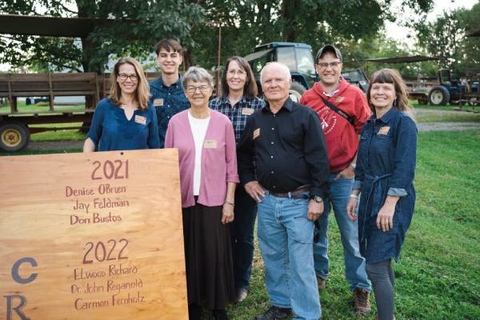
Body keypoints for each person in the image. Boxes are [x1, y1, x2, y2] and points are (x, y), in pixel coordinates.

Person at [238, 62, 329, 320]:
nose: (273, 85)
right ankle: (281, 305)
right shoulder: (255, 119)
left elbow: (319, 160)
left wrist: (318, 197)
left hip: (299, 201)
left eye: (278, 80)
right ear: (262, 86)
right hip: (267, 201)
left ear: (289, 84)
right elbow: (243, 154)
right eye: (268, 81)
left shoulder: (305, 116)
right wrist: (248, 181)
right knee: (274, 258)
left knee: (301, 263)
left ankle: (307, 314)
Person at [300, 44, 372, 314]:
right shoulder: (308, 97)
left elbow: (368, 132)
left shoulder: (354, 95)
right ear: (317, 68)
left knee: (351, 235)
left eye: (334, 63)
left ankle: (360, 286)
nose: (328, 68)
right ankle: (319, 275)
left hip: (344, 176)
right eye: (323, 64)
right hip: (316, 178)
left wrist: (354, 165)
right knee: (316, 230)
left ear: (341, 66)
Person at [165, 66, 238, 320]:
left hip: (215, 200)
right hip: (184, 200)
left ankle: (218, 306)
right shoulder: (175, 123)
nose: (197, 91)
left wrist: (229, 202)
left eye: (202, 86)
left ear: (212, 90)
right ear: (185, 92)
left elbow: (232, 167)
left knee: (214, 253)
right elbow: (167, 165)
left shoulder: (223, 122)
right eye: (192, 87)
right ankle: (192, 304)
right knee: (188, 253)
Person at [347, 68, 417, 320]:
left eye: (387, 87)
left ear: (396, 93)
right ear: (369, 92)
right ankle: (387, 315)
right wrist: (355, 195)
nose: (380, 91)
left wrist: (389, 205)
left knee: (375, 266)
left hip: (393, 200)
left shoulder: (403, 123)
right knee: (380, 260)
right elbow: (363, 164)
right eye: (376, 87)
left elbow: (405, 167)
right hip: (370, 197)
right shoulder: (369, 124)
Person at [209, 56, 265, 303]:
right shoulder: (212, 105)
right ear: (225, 76)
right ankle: (221, 278)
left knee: (242, 233)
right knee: (219, 232)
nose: (235, 76)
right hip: (215, 179)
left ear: (247, 76)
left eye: (240, 72)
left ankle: (240, 281)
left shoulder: (258, 105)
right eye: (231, 71)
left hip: (246, 178)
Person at [83, 57, 160, 152]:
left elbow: (154, 145)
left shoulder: (148, 109)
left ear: (139, 79)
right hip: (109, 165)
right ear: (117, 78)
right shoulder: (104, 106)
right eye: (123, 75)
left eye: (133, 76)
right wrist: (87, 159)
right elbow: (92, 138)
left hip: (139, 166)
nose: (128, 80)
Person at [150, 38, 190, 148]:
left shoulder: (189, 89)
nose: (168, 60)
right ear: (157, 59)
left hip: (185, 152)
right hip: (157, 153)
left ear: (180, 59)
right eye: (163, 55)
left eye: (173, 55)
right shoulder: (148, 90)